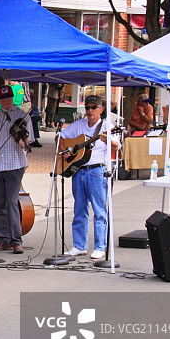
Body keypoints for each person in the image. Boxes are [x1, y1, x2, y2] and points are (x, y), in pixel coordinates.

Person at [58, 96, 120, 260]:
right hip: (78, 169)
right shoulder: (78, 125)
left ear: (101, 109)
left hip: (97, 171)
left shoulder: (107, 126)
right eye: (87, 107)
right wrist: (68, 150)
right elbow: (60, 138)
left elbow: (117, 146)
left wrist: (109, 141)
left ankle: (100, 246)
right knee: (79, 208)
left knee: (99, 210)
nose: (90, 110)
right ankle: (79, 245)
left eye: (94, 107)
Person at [0, 85, 33, 254]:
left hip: (14, 165)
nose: (7, 102)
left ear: (13, 99)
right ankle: (2, 239)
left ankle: (16, 240)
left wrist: (22, 142)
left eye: (9, 99)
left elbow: (29, 139)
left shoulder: (22, 116)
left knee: (11, 201)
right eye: (3, 100)